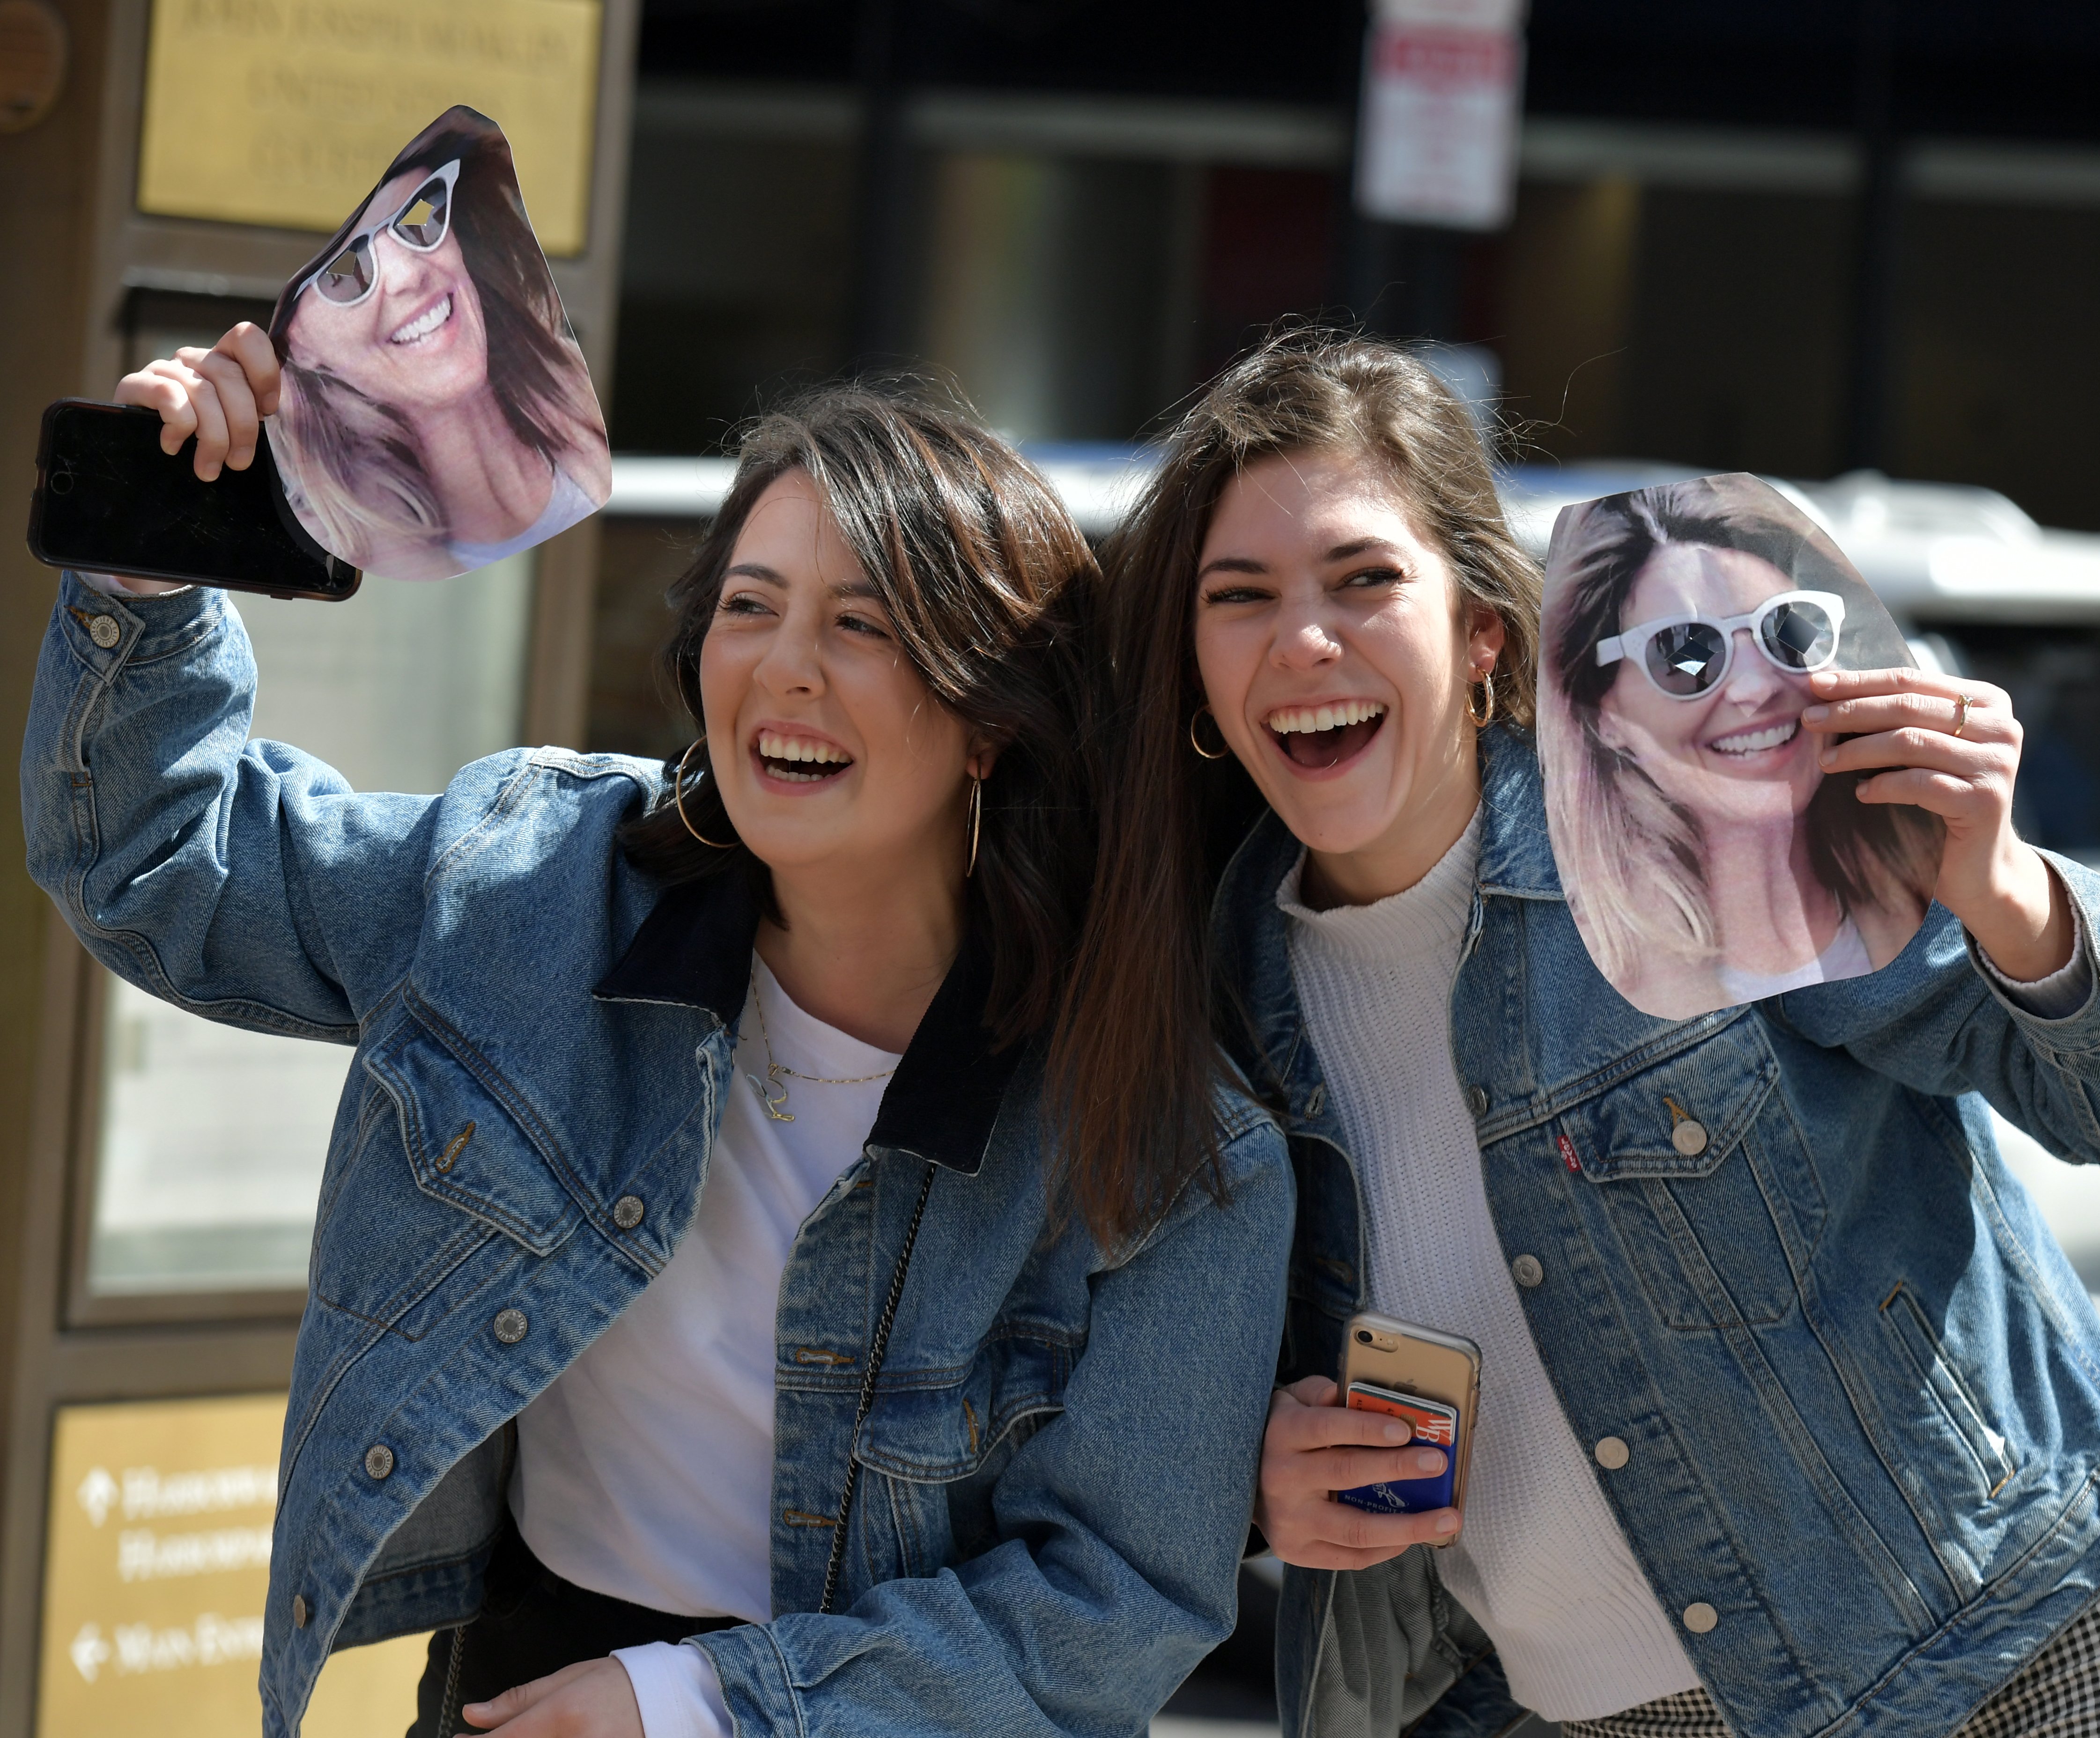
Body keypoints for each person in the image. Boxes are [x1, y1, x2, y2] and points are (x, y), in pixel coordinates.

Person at [24, 327, 1293, 1738]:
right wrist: (148, 563)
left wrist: (688, 1702)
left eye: (861, 622)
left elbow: (1110, 1603)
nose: (784, 669)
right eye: (750, 607)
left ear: (988, 718)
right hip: (515, 1687)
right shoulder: (530, 887)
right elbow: (157, 861)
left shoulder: (1170, 1145)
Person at [1078, 328, 2100, 1738]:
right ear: (1200, 670)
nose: (1303, 639)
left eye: (1363, 578)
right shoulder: (1192, 992)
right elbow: (1154, 1395)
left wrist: (2004, 888)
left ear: (1478, 631)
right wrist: (1259, 1478)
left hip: (2021, 1648)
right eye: (1241, 597)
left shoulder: (1697, 811)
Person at [1541, 474, 1937, 1017]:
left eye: (1790, 630)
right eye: (1685, 652)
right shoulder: (1566, 986)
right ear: (1602, 712)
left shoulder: (1936, 892)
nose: (1758, 687)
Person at [257, 111, 611, 578]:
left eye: (419, 218)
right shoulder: (314, 552)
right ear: (300, 346)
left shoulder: (597, 416)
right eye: (343, 273)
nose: (409, 275)